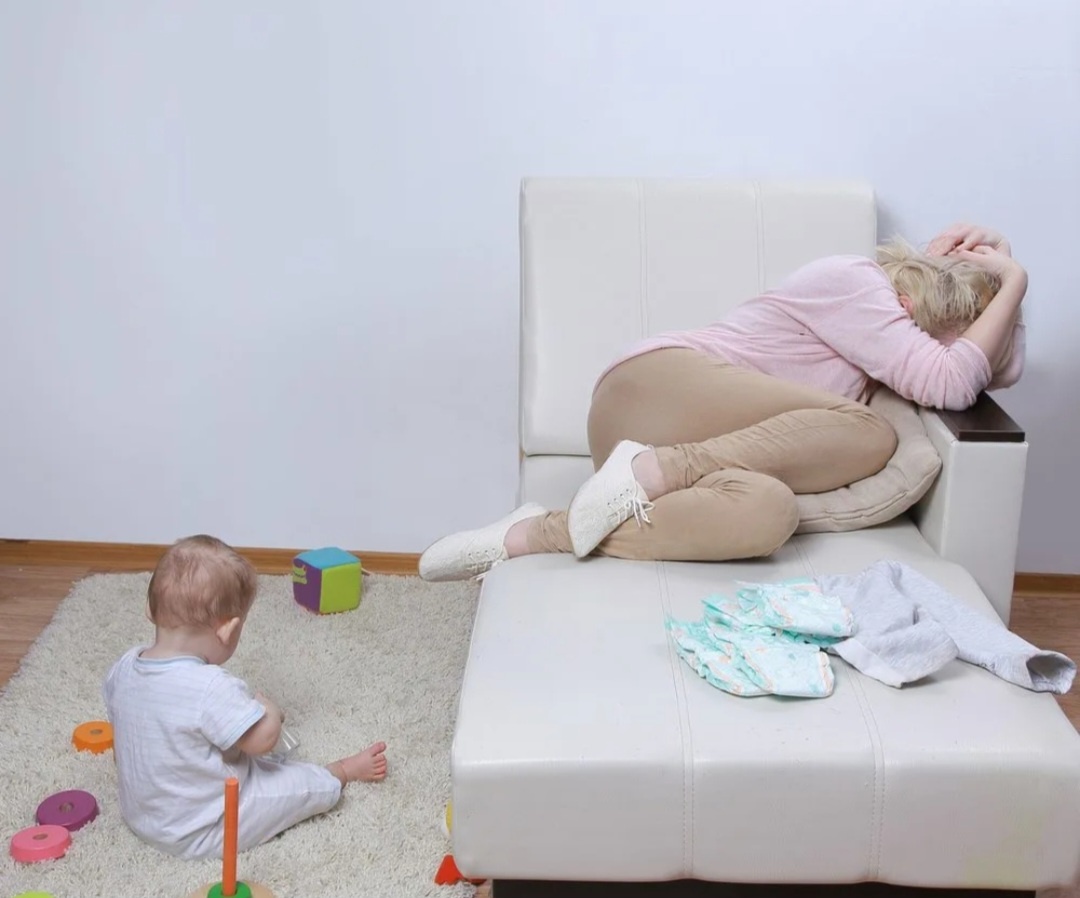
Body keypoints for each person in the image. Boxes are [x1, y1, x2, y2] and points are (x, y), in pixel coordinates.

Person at [420, 222, 1027, 582]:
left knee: (768, 514)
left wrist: (1006, 272)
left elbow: (999, 370)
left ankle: (533, 533)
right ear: (916, 307)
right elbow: (951, 381)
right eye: (952, 339)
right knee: (871, 434)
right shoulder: (855, 281)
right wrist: (1014, 281)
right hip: (651, 389)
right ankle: (649, 468)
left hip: (683, 452)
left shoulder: (889, 344)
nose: (962, 355)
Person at [103, 534, 389, 859]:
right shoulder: (211, 686)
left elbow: (128, 733)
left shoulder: (123, 668)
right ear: (227, 631)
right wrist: (270, 710)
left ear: (149, 610)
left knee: (241, 759)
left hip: (142, 817)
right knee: (296, 786)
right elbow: (261, 741)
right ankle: (342, 772)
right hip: (204, 829)